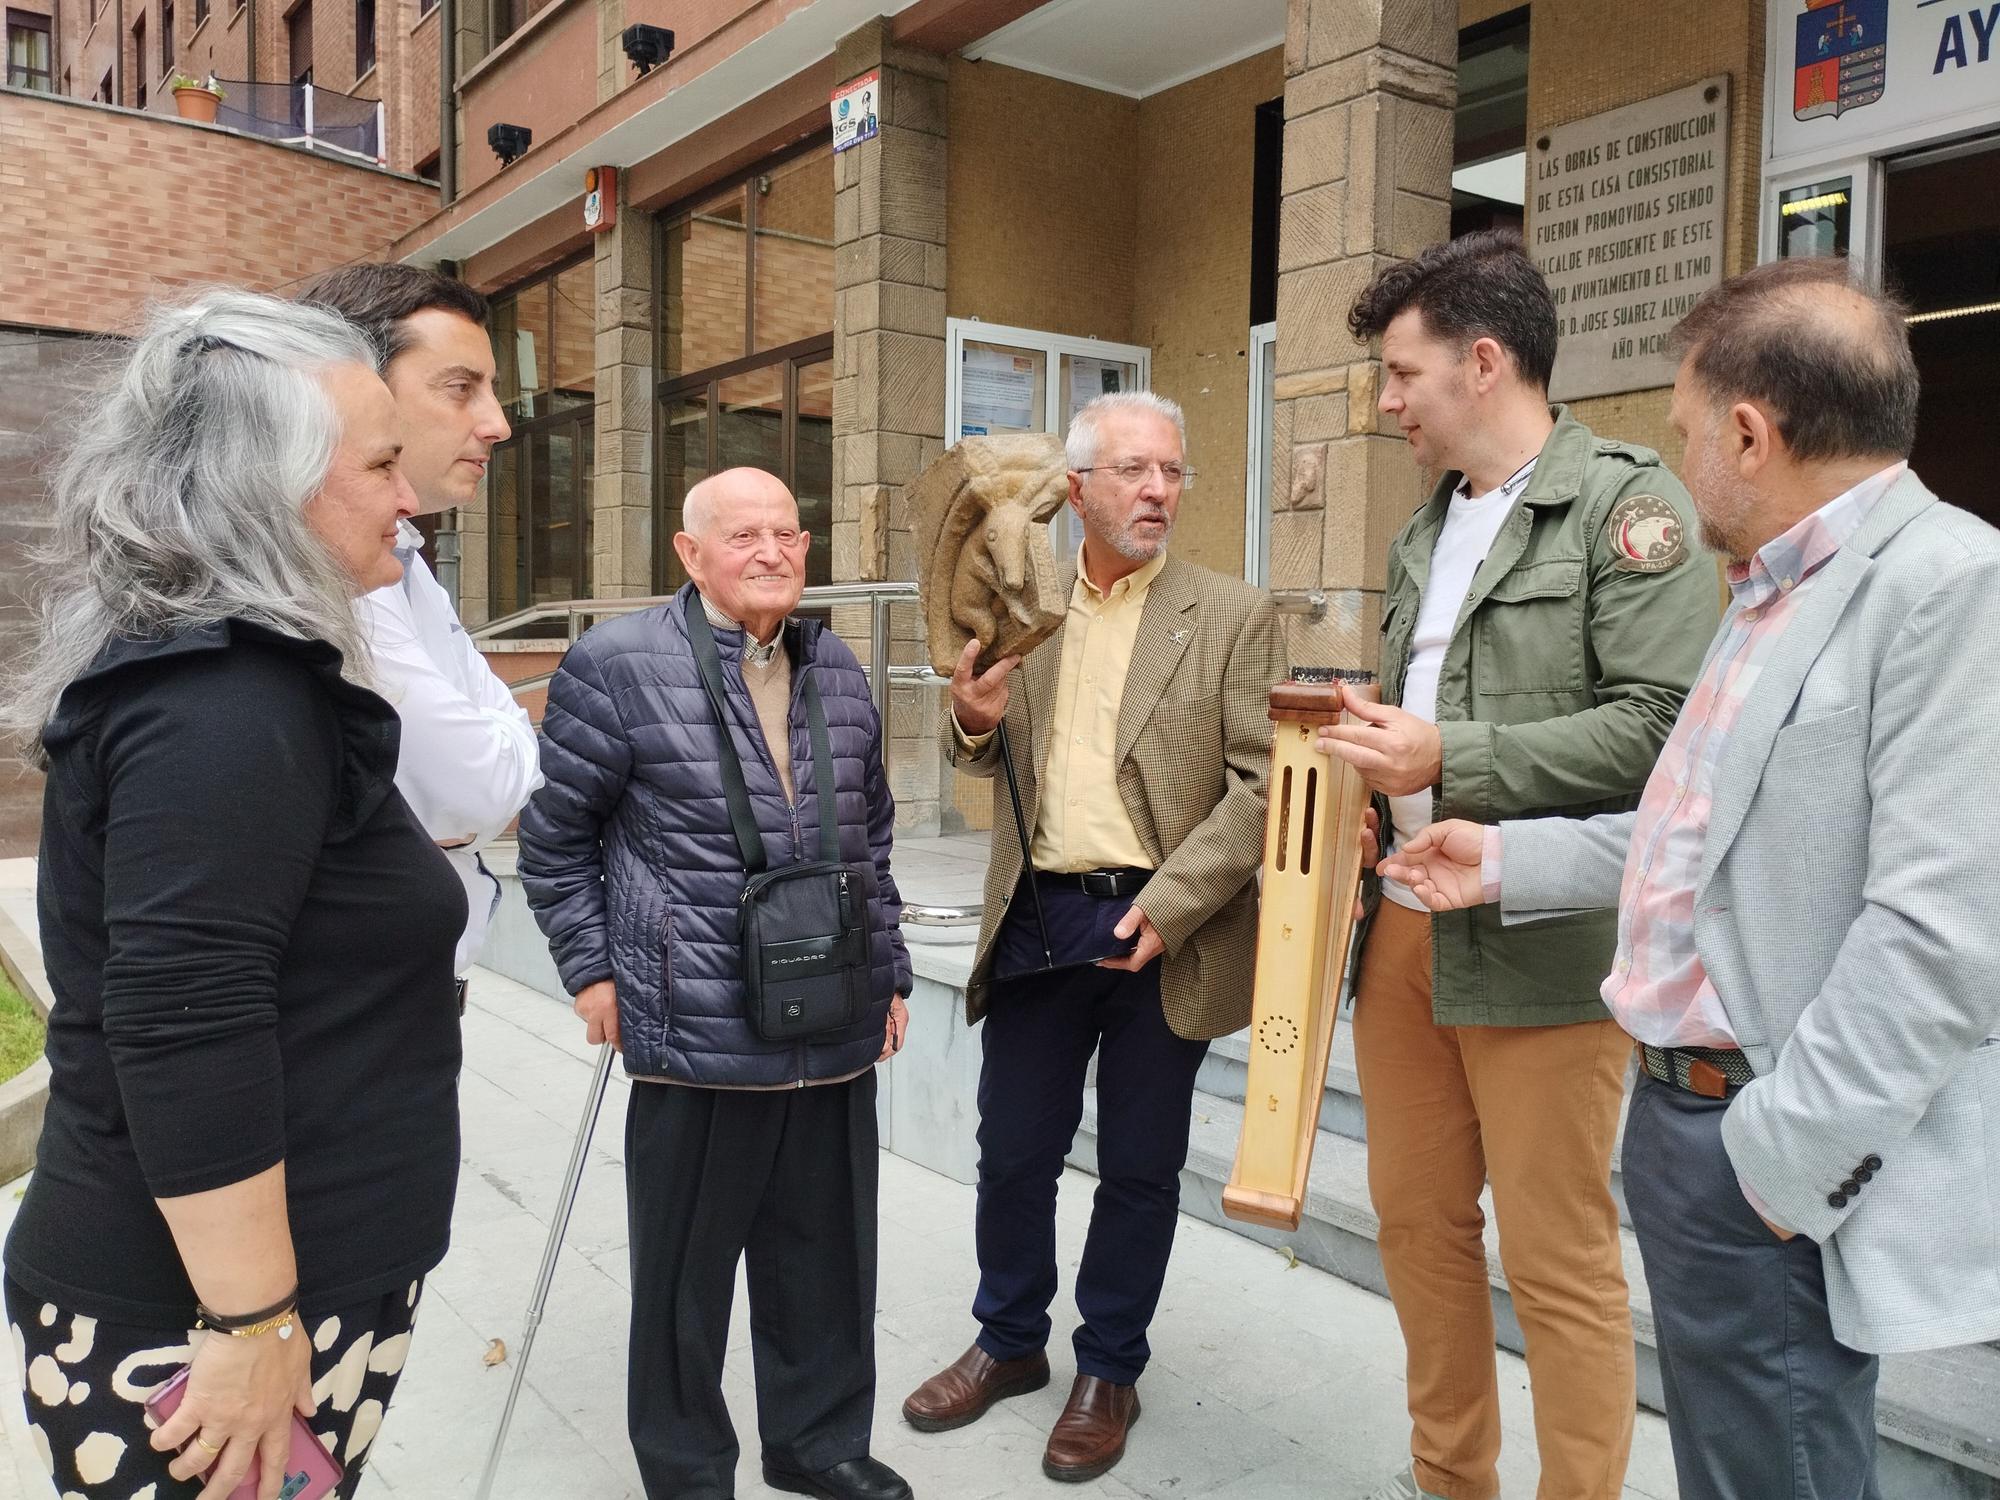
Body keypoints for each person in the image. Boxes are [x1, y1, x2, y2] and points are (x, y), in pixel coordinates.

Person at [1381, 257, 2000, 1500]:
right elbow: (1694, 842)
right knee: (1735, 1461)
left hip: (1757, 1131)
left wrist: (1776, 1161)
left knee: (1778, 1464)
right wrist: (1503, 853)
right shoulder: (1769, 591)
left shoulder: (1947, 585)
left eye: (1681, 428)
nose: (1674, 456)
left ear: (1747, 431)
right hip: (1682, 1110)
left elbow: (1940, 937)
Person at [2, 290, 464, 1499]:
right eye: (378, 464)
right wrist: (253, 1321)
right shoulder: (224, 706)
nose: (409, 499)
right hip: (201, 1325)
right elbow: (187, 1021)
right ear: (269, 484)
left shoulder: (242, 684)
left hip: (261, 1300)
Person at [1322, 231, 1718, 1500]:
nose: (1385, 404)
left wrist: (1452, 752)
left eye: (1400, 374)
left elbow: (1663, 723)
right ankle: (1452, 1480)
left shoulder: (1624, 504)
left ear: (1481, 363)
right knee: (1416, 1229)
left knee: (1557, 1261)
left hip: (1544, 935)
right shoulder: (1418, 533)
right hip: (1402, 925)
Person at [903, 392, 1288, 1483]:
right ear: (1076, 489)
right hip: (1037, 911)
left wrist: (1167, 908)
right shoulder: (1019, 601)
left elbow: (1261, 786)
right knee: (1012, 1149)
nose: (1157, 490)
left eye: (1172, 471)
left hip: (1165, 923)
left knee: (1138, 1164)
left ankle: (1108, 1365)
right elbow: (980, 754)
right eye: (1131, 471)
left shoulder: (1229, 611)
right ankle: (1008, 1342)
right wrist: (972, 717)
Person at [516, 467, 914, 1500]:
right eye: (744, 536)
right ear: (690, 555)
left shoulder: (835, 665)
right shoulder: (614, 664)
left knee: (826, 1256)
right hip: (690, 1017)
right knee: (684, 1281)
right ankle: (689, 1469)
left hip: (829, 1013)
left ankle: (818, 1443)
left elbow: (870, 834)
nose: (774, 552)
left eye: (788, 532)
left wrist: (891, 970)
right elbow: (555, 838)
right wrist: (592, 967)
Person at [297, 263, 539, 978]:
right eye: (460, 388)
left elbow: (491, 784)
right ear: (356, 389)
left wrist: (502, 754)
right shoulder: (331, 576)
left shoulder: (404, 557)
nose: (496, 423)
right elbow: (481, 788)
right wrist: (506, 746)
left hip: (419, 989)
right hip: (358, 1005)